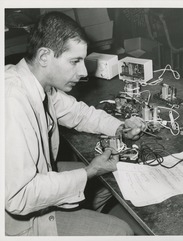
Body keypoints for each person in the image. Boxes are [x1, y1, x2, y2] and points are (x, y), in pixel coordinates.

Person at [5, 11, 145, 236]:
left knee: (112, 174)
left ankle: (89, 215)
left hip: (36, 180)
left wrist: (119, 128)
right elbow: (18, 197)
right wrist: (89, 171)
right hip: (18, 223)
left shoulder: (38, 83)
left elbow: (80, 114)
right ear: (44, 57)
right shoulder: (12, 100)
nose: (82, 72)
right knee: (122, 232)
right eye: (75, 61)